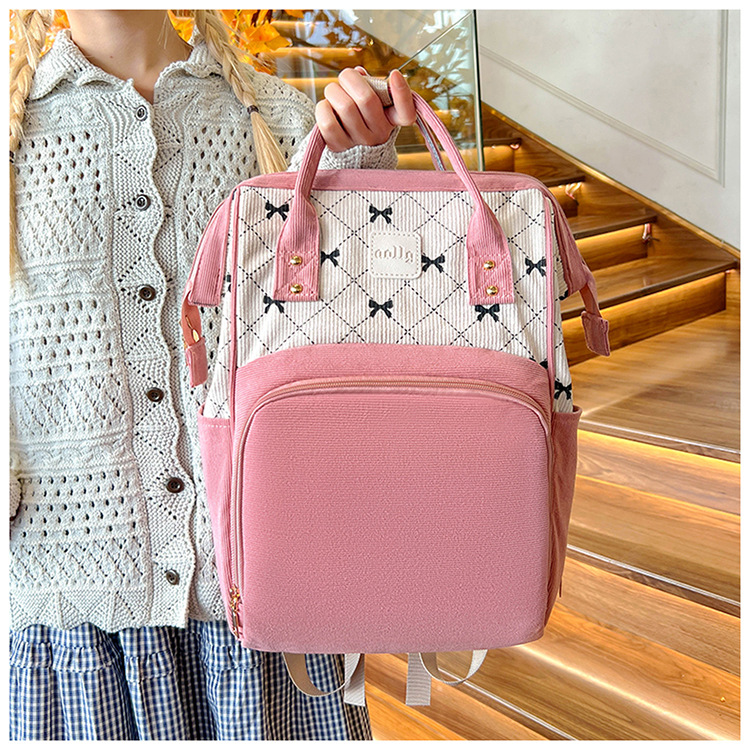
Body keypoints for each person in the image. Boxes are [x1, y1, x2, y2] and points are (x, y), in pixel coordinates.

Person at [8, 9, 416, 741]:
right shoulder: (13, 135)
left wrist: (367, 164)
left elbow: (361, 332)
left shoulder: (285, 122)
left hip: (267, 608)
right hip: (74, 613)